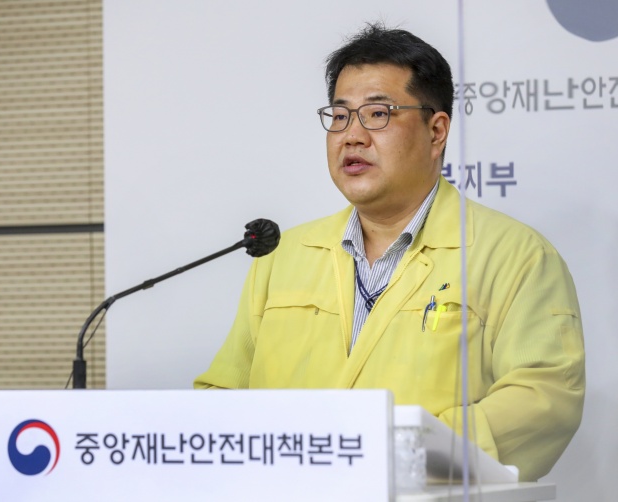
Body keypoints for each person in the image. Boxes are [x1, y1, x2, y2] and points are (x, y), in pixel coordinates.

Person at [194, 23, 584, 481]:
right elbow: (223, 393)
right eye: (340, 116)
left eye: (377, 114)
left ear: (436, 131)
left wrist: (399, 453)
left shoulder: (515, 255)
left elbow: (546, 398)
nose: (352, 136)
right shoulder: (282, 255)